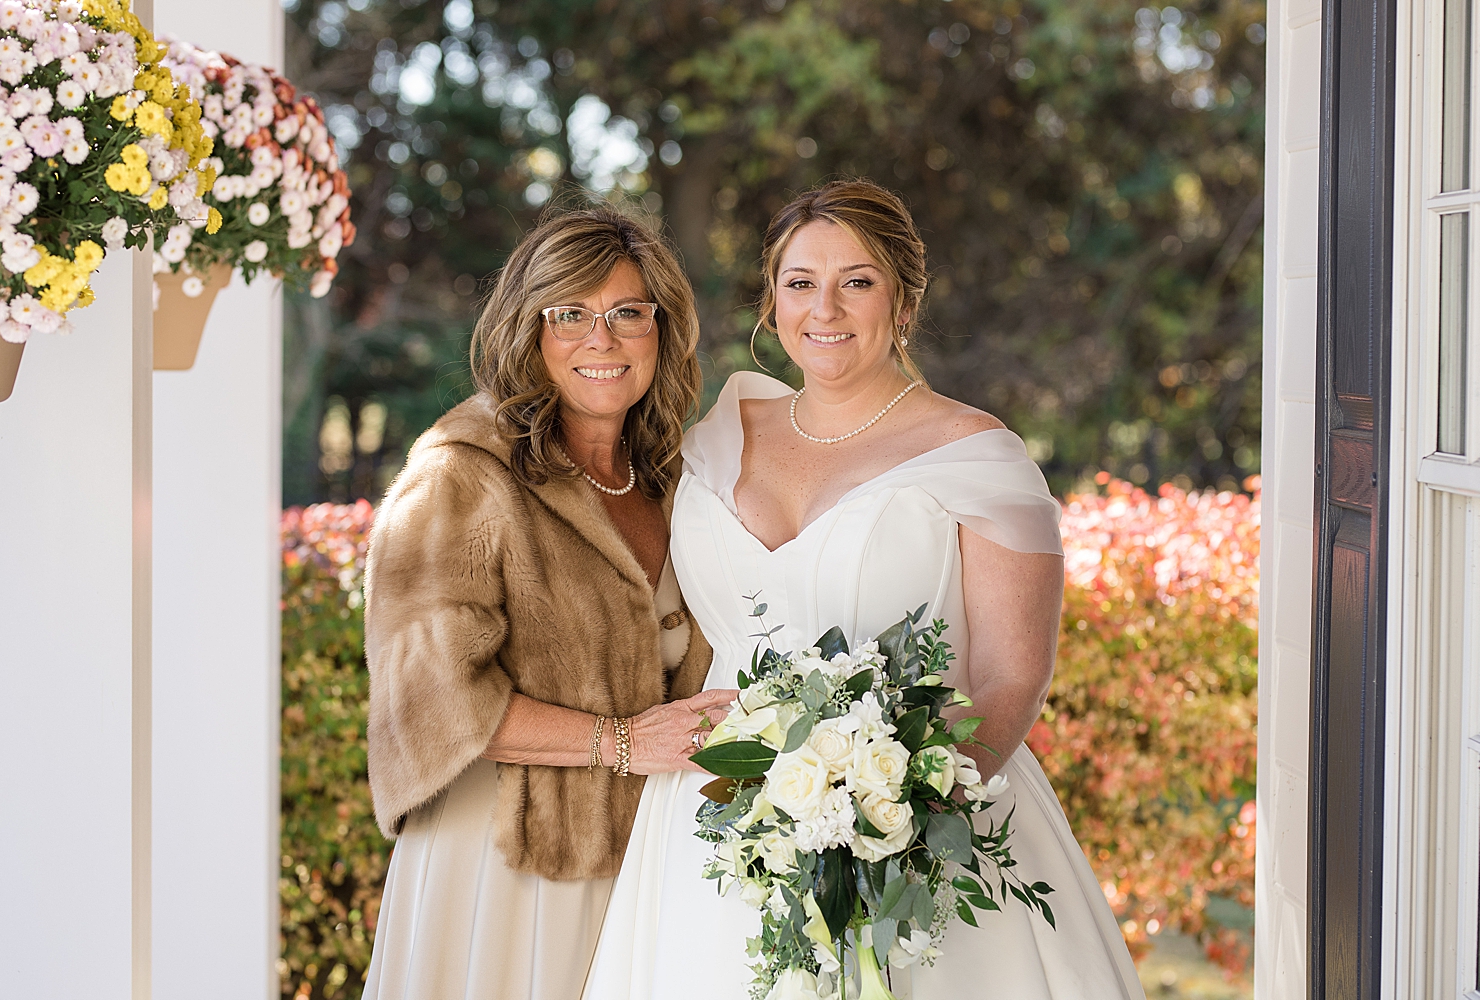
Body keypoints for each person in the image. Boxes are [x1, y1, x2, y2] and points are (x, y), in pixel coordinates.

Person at [583, 181, 1145, 999]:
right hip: (713, 817)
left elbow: (1012, 674)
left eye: (858, 280)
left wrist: (900, 817)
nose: (825, 308)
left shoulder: (977, 454)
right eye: (800, 282)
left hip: (918, 819)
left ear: (904, 301)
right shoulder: (712, 437)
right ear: (771, 303)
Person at [360, 206, 737, 1000]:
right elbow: (431, 698)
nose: (601, 340)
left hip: (647, 864)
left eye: (627, 313)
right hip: (506, 870)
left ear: (661, 331)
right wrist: (623, 743)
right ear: (527, 331)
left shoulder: (678, 483)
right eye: (569, 314)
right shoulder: (459, 475)